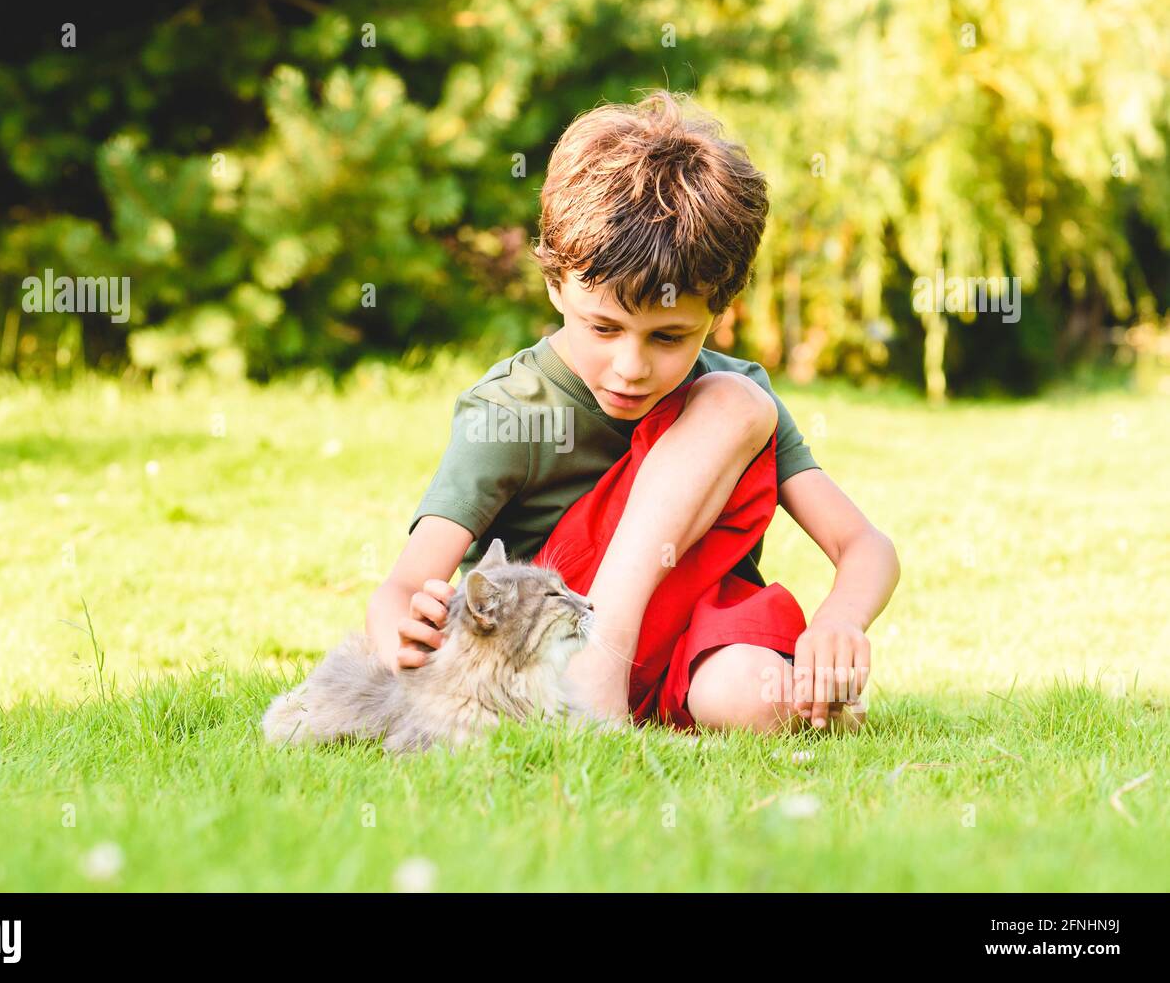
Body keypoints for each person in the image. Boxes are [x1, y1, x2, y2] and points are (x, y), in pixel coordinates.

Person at [365, 89, 900, 735]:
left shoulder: (731, 394)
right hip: (552, 655)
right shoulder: (513, 408)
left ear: (717, 311)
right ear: (555, 283)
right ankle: (598, 679)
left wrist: (840, 620)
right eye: (604, 328)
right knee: (736, 405)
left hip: (689, 640)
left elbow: (863, 544)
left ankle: (636, 690)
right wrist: (403, 628)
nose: (631, 367)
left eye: (668, 337)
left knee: (762, 699)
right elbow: (402, 587)